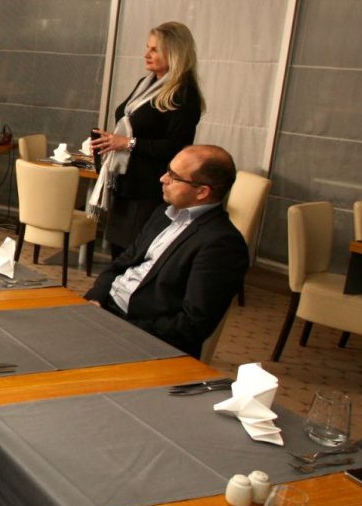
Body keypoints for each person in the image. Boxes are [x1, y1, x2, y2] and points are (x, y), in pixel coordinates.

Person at [84, 145, 249, 359]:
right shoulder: (164, 213)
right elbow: (120, 264)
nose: (162, 179)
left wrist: (121, 328)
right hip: (105, 308)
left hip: (140, 334)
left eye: (173, 176)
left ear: (202, 192)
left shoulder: (222, 244)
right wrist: (95, 298)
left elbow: (192, 324)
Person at [90, 21, 204, 257]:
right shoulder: (146, 84)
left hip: (148, 188)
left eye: (154, 50)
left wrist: (127, 143)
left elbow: (177, 148)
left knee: (134, 254)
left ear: (174, 53)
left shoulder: (184, 93)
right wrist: (109, 142)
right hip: (125, 182)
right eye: (147, 47)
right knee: (119, 254)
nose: (146, 54)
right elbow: (130, 125)